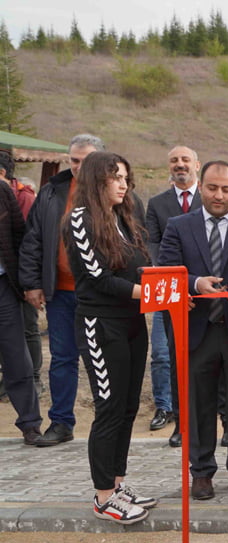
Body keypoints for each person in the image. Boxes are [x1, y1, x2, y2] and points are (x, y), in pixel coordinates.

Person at [158, 160, 228, 500]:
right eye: (212, 187)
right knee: (198, 405)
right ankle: (202, 473)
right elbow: (166, 269)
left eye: (226, 189)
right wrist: (194, 283)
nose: (218, 195)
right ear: (200, 186)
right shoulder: (178, 226)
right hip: (197, 329)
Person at [63, 151, 158, 524]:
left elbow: (141, 267)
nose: (123, 185)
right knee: (109, 408)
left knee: (129, 407)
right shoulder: (79, 221)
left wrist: (162, 285)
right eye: (115, 178)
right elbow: (99, 279)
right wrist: (151, 295)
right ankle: (103, 497)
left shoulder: (122, 217)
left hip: (133, 323)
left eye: (125, 178)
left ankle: (117, 484)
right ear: (96, 180)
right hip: (101, 326)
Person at [20, 134, 107, 448]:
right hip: (61, 293)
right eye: (74, 160)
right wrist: (31, 283)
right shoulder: (51, 191)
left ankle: (108, 422)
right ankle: (61, 422)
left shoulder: (115, 191)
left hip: (101, 295)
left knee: (102, 359)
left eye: (86, 161)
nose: (79, 167)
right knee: (62, 358)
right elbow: (33, 240)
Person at [143, 146, 202, 446]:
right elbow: (152, 245)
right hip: (171, 293)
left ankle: (224, 422)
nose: (179, 165)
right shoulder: (157, 204)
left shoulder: (212, 197)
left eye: (185, 160)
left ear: (196, 165)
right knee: (174, 358)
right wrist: (177, 281)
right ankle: (180, 422)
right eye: (174, 160)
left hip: (208, 293)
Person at [0, 178, 42, 445]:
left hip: (3, 285)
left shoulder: (2, 190)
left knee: (16, 355)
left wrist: (27, 281)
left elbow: (20, 234)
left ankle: (30, 424)